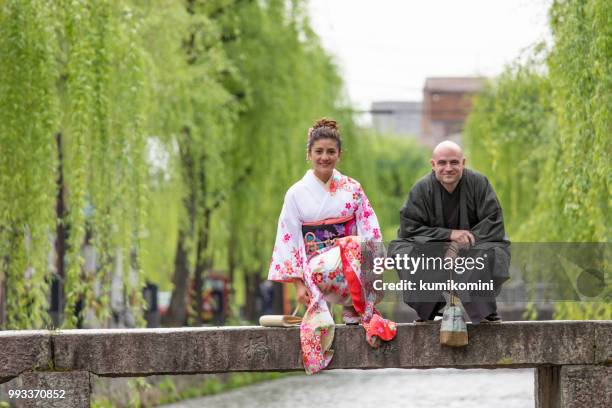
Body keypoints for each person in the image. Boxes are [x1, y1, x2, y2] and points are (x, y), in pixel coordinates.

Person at [268, 118, 397, 374]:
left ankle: (354, 308)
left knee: (365, 248)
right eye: (319, 152)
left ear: (339, 154)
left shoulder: (352, 188)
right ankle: (336, 306)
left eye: (330, 152)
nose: (324, 157)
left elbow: (369, 227)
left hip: (350, 261)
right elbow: (290, 237)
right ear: (309, 154)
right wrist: (297, 283)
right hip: (316, 268)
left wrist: (374, 259)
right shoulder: (296, 193)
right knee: (350, 250)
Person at [388, 140, 510, 324]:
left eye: (454, 162)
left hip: (473, 246)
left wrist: (458, 244)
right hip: (432, 249)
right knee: (401, 251)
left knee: (492, 252)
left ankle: (485, 312)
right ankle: (431, 310)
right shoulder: (421, 189)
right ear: (433, 164)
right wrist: (448, 235)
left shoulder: (479, 183)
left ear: (463, 163)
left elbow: (493, 222)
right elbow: (409, 229)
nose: (448, 168)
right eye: (442, 163)